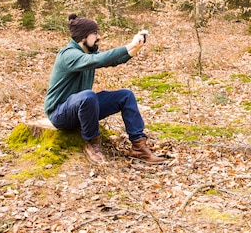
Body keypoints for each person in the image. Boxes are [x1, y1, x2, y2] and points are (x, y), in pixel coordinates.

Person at [44, 13, 165, 165]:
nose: (98, 37)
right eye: (94, 33)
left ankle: (138, 146)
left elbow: (113, 60)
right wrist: (130, 45)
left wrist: (136, 46)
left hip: (82, 108)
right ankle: (92, 145)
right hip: (60, 113)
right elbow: (99, 60)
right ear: (83, 37)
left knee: (126, 96)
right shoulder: (69, 55)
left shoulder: (88, 53)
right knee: (88, 96)